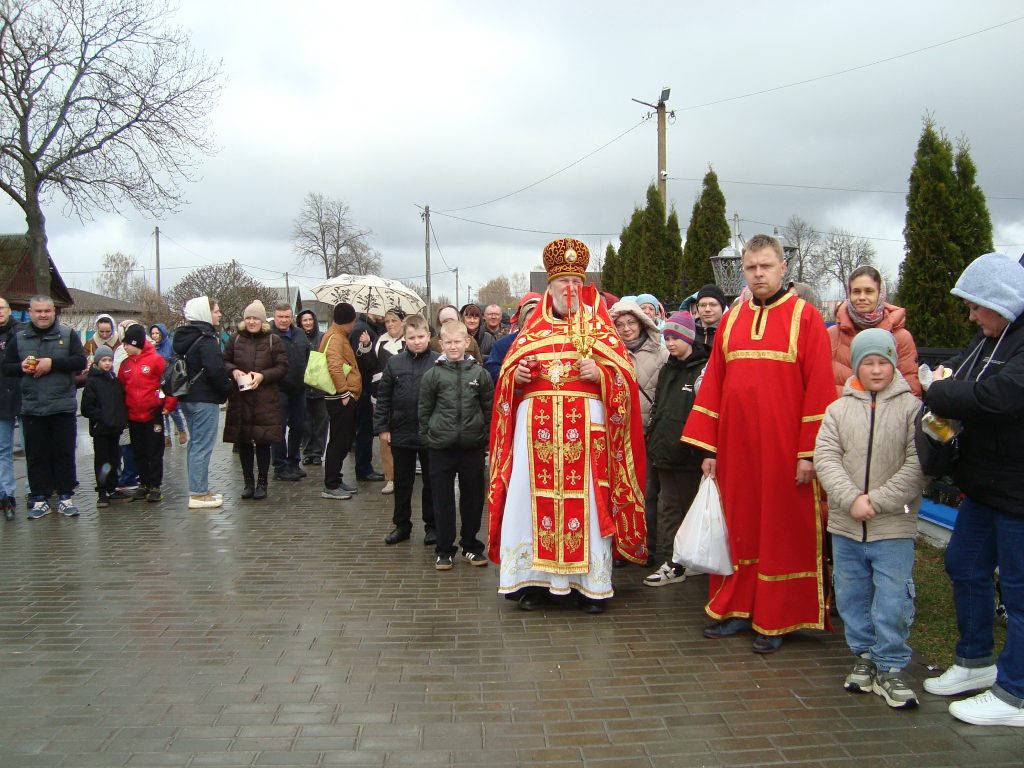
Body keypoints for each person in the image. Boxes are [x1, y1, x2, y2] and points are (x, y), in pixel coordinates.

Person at [682, 234, 836, 653]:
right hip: (736, 451)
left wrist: (809, 453)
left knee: (783, 532)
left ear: (782, 267)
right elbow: (713, 384)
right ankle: (737, 609)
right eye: (751, 268)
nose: (758, 274)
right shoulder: (731, 319)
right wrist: (709, 449)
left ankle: (778, 617)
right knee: (741, 529)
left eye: (766, 266)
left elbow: (820, 391)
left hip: (787, 453)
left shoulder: (805, 318)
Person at [487, 238, 648, 614]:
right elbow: (506, 384)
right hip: (535, 441)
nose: (571, 290)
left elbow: (626, 382)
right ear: (551, 287)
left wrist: (603, 374)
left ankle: (587, 586)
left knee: (587, 508)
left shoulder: (601, 331)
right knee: (530, 505)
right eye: (564, 284)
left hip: (584, 442)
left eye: (578, 283)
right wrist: (518, 376)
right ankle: (532, 583)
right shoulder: (530, 332)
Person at [920, 253, 1024, 727]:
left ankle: (1016, 694)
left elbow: (999, 396)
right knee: (963, 564)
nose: (970, 315)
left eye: (975, 305)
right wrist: (943, 383)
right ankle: (976, 661)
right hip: (986, 485)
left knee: (1020, 593)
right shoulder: (988, 338)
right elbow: (958, 374)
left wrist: (938, 392)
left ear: (998, 300)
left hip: (1018, 489)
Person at [815, 328, 926, 709]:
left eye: (883, 362)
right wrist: (850, 499)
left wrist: (876, 501)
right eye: (868, 362)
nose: (876, 370)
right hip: (847, 526)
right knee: (851, 594)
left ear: (894, 363)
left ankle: (890, 665)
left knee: (892, 598)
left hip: (892, 525)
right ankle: (863, 655)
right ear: (857, 365)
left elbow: (916, 465)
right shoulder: (838, 409)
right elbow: (826, 458)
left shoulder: (912, 409)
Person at [419, 320, 494, 570]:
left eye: (457, 342)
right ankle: (444, 549)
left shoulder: (479, 374)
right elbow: (424, 409)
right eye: (448, 342)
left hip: (471, 447)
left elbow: (488, 407)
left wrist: (483, 435)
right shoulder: (432, 375)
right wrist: (429, 436)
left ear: (466, 343)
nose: (453, 346)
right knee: (442, 499)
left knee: (473, 498)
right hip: (440, 447)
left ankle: (471, 546)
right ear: (441, 344)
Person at [2, 295, 87, 519]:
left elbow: (80, 362)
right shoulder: (19, 338)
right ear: (30, 312)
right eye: (38, 311)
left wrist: (53, 363)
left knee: (64, 453)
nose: (43, 315)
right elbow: (7, 367)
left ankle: (66, 498)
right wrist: (21, 366)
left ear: (54, 312)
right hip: (31, 406)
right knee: (36, 456)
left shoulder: (68, 335)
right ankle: (40, 499)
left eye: (47, 311)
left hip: (62, 405)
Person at [642, 311, 708, 587]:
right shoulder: (669, 368)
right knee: (668, 507)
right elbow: (660, 405)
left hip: (687, 452)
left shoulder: (701, 369)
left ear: (688, 338)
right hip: (663, 449)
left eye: (675, 338)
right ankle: (673, 559)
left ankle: (684, 560)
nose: (670, 343)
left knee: (687, 508)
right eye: (667, 337)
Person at [610, 298, 668, 561]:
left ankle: (648, 546)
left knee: (648, 493)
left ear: (642, 324)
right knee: (620, 492)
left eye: (631, 322)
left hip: (648, 434)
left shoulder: (660, 354)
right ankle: (622, 546)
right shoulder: (610, 353)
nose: (626, 329)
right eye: (620, 324)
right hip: (618, 434)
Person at [374, 314, 437, 544]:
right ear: (405, 338)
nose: (417, 341)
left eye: (421, 336)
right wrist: (382, 427)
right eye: (412, 337)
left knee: (431, 483)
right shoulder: (395, 363)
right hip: (401, 432)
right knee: (402, 482)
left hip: (431, 433)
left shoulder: (439, 362)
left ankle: (432, 526)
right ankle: (402, 525)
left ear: (429, 336)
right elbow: (384, 398)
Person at [224, 300, 288, 501]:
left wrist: (262, 376)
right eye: (248, 318)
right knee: (243, 442)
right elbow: (224, 361)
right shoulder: (234, 339)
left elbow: (282, 367)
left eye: (255, 318)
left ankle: (262, 482)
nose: (252, 322)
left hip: (264, 400)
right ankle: (248, 482)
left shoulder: (273, 340)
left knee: (262, 442)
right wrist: (233, 371)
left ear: (262, 320)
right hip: (240, 398)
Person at [174, 296, 232, 509]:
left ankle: (199, 488)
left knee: (194, 444)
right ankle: (198, 493)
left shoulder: (183, 337)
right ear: (205, 314)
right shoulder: (206, 339)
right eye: (216, 311)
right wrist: (228, 389)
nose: (219, 314)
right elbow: (215, 371)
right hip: (204, 399)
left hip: (187, 397)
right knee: (202, 446)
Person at [828, 265, 921, 398]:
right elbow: (821, 383)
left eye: (869, 291)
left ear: (880, 294)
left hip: (887, 416)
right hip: (842, 415)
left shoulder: (900, 337)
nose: (862, 297)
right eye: (856, 291)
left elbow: (911, 389)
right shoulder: (833, 335)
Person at [118, 325, 175, 503]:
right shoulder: (125, 365)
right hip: (134, 417)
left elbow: (167, 384)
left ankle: (155, 485)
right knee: (139, 452)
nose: (124, 347)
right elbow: (121, 389)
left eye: (127, 344)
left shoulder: (156, 360)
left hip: (153, 414)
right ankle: (143, 483)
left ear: (136, 343)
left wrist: (167, 403)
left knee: (154, 452)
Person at [80, 345, 132, 508]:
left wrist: (121, 419)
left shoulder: (115, 381)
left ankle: (112, 487)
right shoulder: (92, 382)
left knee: (115, 459)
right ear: (97, 362)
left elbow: (120, 403)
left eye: (110, 360)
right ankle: (102, 492)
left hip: (115, 429)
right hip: (101, 429)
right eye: (104, 360)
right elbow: (87, 408)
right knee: (102, 461)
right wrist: (102, 417)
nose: (107, 363)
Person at [320, 302, 362, 500]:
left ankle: (336, 478)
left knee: (341, 439)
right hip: (340, 398)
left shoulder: (336, 335)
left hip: (341, 396)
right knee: (339, 440)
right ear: (350, 320)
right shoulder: (336, 337)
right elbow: (334, 366)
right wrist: (345, 393)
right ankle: (331, 484)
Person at [270, 302, 310, 482]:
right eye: (280, 317)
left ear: (292, 317)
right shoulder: (269, 336)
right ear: (275, 316)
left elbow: (308, 355)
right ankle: (280, 466)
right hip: (278, 389)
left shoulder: (300, 334)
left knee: (299, 426)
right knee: (279, 429)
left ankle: (293, 462)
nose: (284, 320)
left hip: (299, 389)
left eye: (287, 317)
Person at [370, 308, 407, 495]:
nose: (391, 325)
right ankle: (390, 477)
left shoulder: (409, 340)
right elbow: (370, 364)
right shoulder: (379, 341)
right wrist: (365, 347)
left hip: (404, 396)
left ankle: (404, 474)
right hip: (382, 394)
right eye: (387, 321)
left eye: (394, 320)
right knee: (385, 439)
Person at [485, 293, 541, 384]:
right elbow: (491, 371)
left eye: (538, 319)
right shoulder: (503, 344)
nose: (534, 325)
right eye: (530, 320)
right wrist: (513, 376)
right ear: (522, 317)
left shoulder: (555, 342)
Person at [297, 309, 328, 466]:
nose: (308, 323)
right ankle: (308, 452)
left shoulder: (322, 337)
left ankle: (318, 452)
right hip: (303, 387)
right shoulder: (297, 337)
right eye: (305, 320)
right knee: (306, 423)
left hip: (320, 386)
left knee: (321, 422)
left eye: (310, 319)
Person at [150, 323, 188, 447]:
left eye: (157, 333)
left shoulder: (170, 344)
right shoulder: (152, 347)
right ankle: (166, 436)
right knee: (161, 410)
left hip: (169, 381)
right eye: (153, 333)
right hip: (157, 382)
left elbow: (177, 360)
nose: (155, 335)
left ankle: (181, 429)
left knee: (172, 409)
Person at [0, 296, 19, 520]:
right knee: (3, 449)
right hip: (1, 399)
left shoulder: (20, 332)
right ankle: (6, 493)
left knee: (29, 446)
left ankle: (35, 493)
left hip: (22, 396)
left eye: (2, 308)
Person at [693, 284, 727, 349]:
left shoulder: (730, 332)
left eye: (713, 305)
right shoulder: (688, 333)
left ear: (722, 307)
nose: (707, 309)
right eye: (703, 305)